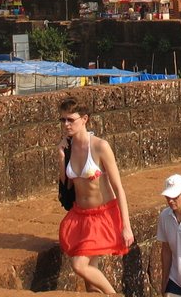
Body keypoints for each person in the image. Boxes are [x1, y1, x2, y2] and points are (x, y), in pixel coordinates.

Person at [56, 97, 134, 295]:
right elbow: (65, 186)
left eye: (70, 120)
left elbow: (119, 187)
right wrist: (61, 157)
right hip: (80, 216)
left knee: (79, 266)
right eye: (63, 120)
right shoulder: (67, 147)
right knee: (91, 282)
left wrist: (126, 226)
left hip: (102, 216)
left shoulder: (100, 146)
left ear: (84, 119)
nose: (66, 125)